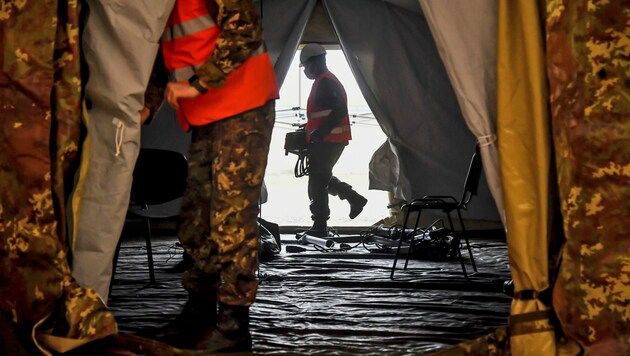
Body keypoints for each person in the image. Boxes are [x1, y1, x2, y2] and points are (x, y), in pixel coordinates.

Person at [153, 0, 279, 353]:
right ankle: (200, 310)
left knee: (230, 217)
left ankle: (234, 323)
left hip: (242, 104)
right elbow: (161, 53)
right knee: (197, 215)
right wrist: (145, 103)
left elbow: (244, 29)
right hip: (208, 113)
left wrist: (197, 82)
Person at [300, 43, 368, 237]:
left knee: (317, 182)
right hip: (328, 140)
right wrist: (310, 132)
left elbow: (339, 111)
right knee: (321, 177)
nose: (305, 71)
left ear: (313, 63)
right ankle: (354, 198)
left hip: (330, 140)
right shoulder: (323, 81)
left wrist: (319, 134)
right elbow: (323, 115)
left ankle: (320, 226)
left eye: (305, 66)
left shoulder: (326, 82)